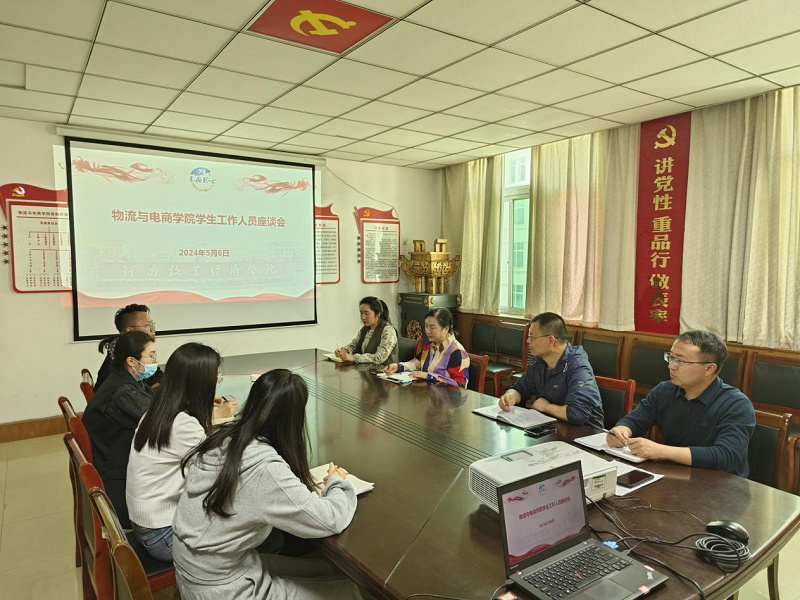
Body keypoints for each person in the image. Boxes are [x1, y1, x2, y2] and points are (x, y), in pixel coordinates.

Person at [172, 369, 362, 600]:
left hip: (200, 570)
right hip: (221, 589)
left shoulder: (223, 437)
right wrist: (337, 482)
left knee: (324, 569)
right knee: (348, 590)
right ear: (294, 418)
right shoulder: (264, 468)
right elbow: (328, 520)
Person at [607, 330, 755, 477]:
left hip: (721, 483)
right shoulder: (664, 390)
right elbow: (636, 420)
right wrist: (621, 430)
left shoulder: (736, 404)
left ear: (709, 368)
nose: (671, 366)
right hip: (675, 474)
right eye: (671, 357)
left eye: (681, 361)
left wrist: (661, 451)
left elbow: (726, 456)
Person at [126, 342, 220, 562]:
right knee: (248, 525)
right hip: (163, 535)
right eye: (215, 377)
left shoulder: (159, 410)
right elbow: (215, 475)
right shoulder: (184, 425)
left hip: (147, 524)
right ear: (201, 384)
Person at [83, 331, 157, 528]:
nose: (155, 361)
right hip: (119, 482)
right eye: (151, 356)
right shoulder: (123, 392)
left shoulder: (123, 380)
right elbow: (161, 420)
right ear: (131, 361)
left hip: (115, 464)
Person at [498, 312, 604, 431]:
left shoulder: (577, 365)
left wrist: (547, 407)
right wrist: (510, 396)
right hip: (552, 427)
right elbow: (521, 389)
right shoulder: (539, 361)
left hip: (585, 433)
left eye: (532, 336)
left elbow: (578, 413)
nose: (528, 341)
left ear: (550, 340)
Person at [384, 308, 470, 388]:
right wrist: (399, 367)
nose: (427, 331)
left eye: (432, 327)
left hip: (445, 397)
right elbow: (418, 362)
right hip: (426, 393)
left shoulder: (456, 351)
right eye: (426, 326)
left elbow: (460, 385)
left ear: (446, 329)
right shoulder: (429, 345)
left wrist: (428, 376)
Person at [95, 303, 162, 390]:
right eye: (147, 325)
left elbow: (157, 374)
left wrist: (157, 385)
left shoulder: (132, 349)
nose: (153, 329)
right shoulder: (119, 358)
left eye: (152, 324)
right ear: (130, 331)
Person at [335, 296, 398, 366]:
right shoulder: (365, 329)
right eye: (361, 313)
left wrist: (354, 358)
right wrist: (345, 351)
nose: (363, 317)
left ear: (378, 314)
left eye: (366, 314)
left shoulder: (388, 331)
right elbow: (354, 345)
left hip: (384, 370)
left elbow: (379, 358)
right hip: (366, 369)